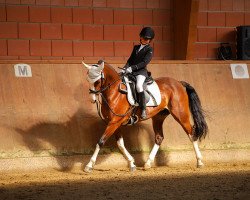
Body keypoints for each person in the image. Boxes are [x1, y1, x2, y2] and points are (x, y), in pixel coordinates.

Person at [123, 27, 155, 119]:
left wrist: (132, 68)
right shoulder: (136, 47)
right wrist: (125, 68)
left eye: (147, 39)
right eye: (144, 38)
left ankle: (143, 108)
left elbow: (144, 62)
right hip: (131, 71)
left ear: (150, 40)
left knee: (139, 86)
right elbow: (130, 60)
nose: (145, 40)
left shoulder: (149, 49)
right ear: (140, 37)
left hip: (141, 72)